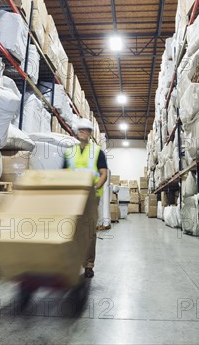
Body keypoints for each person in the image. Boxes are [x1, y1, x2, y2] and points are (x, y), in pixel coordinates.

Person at [64, 118, 108, 278]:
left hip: (91, 196)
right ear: (77, 132)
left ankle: (88, 265)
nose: (83, 132)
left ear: (90, 133)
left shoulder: (97, 152)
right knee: (72, 230)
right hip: (72, 196)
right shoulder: (69, 152)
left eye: (86, 129)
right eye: (80, 129)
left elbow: (104, 173)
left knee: (89, 231)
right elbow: (63, 174)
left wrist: (96, 187)